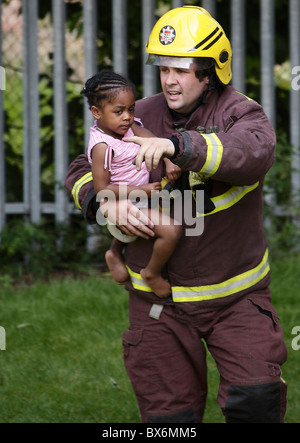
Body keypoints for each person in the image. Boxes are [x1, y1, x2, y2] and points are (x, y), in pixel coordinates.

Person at [65, 6, 288, 423]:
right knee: (170, 420)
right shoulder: (138, 111)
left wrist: (178, 147)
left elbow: (253, 153)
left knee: (257, 403)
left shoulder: (242, 114)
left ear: (212, 71)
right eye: (164, 68)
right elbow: (82, 169)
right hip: (156, 306)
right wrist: (101, 202)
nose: (169, 80)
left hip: (235, 299)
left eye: (182, 70)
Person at [81, 70, 182, 298]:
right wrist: (142, 190)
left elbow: (149, 137)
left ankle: (114, 253)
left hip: (140, 197)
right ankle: (152, 273)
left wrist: (167, 160)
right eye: (119, 111)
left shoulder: (124, 127)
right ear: (96, 112)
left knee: (154, 217)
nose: (127, 117)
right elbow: (101, 190)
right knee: (173, 231)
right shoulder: (103, 147)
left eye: (131, 109)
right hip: (124, 202)